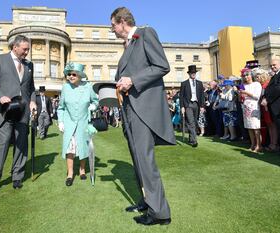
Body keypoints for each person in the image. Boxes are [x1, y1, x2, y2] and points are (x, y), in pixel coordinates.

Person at [110, 7, 176, 226]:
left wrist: (132, 80)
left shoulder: (146, 33)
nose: (112, 29)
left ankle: (160, 213)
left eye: (113, 25)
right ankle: (147, 200)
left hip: (143, 109)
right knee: (138, 159)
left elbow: (162, 66)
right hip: (131, 108)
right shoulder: (129, 44)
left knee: (145, 161)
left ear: (122, 22)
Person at [0, 35, 36, 193]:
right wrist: (0, 96)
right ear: (15, 47)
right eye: (24, 49)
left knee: (21, 145)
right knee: (2, 145)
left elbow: (31, 88)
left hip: (23, 112)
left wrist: (33, 101)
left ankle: (17, 177)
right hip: (6, 111)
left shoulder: (29, 65)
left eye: (28, 49)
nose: (27, 52)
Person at [57, 62, 98, 186]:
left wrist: (93, 106)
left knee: (83, 147)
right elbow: (61, 107)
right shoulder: (65, 88)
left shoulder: (88, 86)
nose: (70, 76)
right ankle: (70, 173)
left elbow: (95, 101)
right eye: (68, 74)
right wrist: (60, 121)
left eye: (73, 74)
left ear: (79, 75)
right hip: (69, 123)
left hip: (83, 123)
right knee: (70, 149)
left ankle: (82, 169)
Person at [261, 59, 280, 155]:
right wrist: (264, 97)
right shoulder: (275, 75)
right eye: (271, 65)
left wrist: (268, 99)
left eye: (274, 65)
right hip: (274, 106)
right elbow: (268, 88)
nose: (272, 67)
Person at [180, 65, 205, 147]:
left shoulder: (199, 83)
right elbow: (181, 96)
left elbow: (202, 95)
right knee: (191, 122)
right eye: (192, 73)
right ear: (189, 74)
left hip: (196, 104)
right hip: (188, 104)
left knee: (194, 122)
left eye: (194, 72)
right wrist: (182, 107)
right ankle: (194, 141)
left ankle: (191, 139)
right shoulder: (184, 83)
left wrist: (202, 106)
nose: (193, 74)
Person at [254, 68, 278, 152]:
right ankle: (271, 143)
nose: (256, 78)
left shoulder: (267, 84)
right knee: (269, 125)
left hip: (268, 107)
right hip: (264, 108)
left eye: (258, 77)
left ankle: (274, 144)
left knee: (272, 125)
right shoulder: (261, 85)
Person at [239, 68, 262, 152]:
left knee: (255, 127)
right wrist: (240, 94)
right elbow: (240, 99)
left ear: (251, 75)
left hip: (254, 107)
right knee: (249, 127)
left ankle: (258, 145)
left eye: (247, 75)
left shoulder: (256, 84)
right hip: (245, 107)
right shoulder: (243, 85)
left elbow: (257, 96)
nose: (246, 77)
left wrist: (246, 93)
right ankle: (252, 144)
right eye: (244, 76)